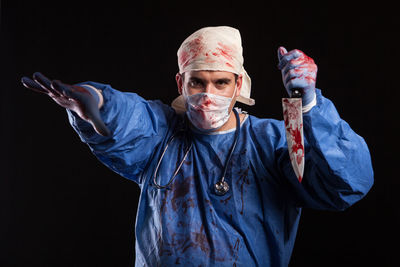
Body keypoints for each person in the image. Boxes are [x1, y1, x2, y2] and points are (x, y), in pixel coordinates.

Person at [21, 26, 374, 267]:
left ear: (239, 85)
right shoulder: (163, 134)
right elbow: (131, 119)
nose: (208, 94)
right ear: (181, 82)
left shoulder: (273, 142)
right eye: (197, 82)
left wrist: (308, 104)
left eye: (220, 82)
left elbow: (348, 181)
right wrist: (98, 103)